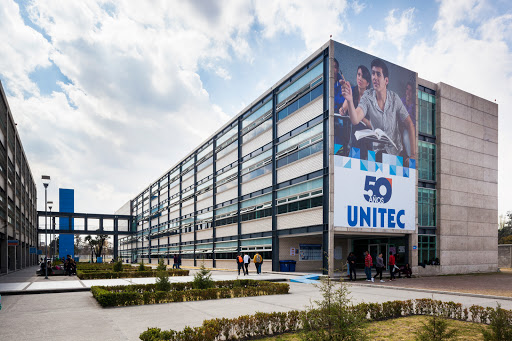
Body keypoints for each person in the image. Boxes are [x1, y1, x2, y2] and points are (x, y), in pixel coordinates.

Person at [341, 58, 417, 166]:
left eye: (378, 74)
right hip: (378, 153)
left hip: (396, 151)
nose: (374, 77)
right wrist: (349, 100)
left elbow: (409, 123)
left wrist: (413, 154)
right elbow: (355, 118)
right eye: (373, 74)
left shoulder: (395, 98)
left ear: (386, 80)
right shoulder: (367, 96)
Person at [341, 65, 372, 159]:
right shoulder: (353, 91)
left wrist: (359, 117)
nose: (360, 78)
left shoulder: (371, 98)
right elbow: (342, 111)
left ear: (367, 83)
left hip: (368, 134)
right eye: (358, 75)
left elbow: (374, 126)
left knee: (358, 126)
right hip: (354, 133)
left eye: (363, 77)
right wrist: (345, 106)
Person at [400, 82, 416, 158]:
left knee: (406, 136)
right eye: (407, 89)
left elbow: (413, 122)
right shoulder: (401, 101)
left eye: (410, 90)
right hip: (401, 126)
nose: (408, 92)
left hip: (409, 128)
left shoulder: (414, 105)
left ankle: (411, 159)